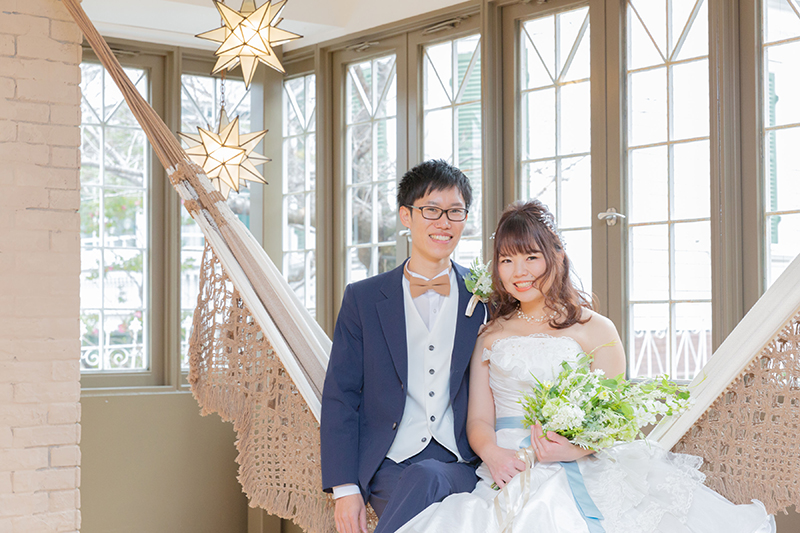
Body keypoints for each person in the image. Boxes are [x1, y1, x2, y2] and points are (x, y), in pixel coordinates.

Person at [394, 200, 776, 533]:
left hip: (583, 463)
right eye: (507, 260)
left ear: (557, 256)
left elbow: (620, 420)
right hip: (509, 466)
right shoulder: (490, 334)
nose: (518, 271)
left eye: (531, 257)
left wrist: (574, 449)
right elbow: (479, 418)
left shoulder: (596, 329)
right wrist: (493, 454)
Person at [320, 160, 488, 533]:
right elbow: (341, 395)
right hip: (389, 464)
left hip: (463, 462)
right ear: (406, 216)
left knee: (428, 476)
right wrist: (345, 488)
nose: (444, 223)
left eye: (455, 212)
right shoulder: (363, 299)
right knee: (425, 490)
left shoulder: (485, 297)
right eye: (431, 210)